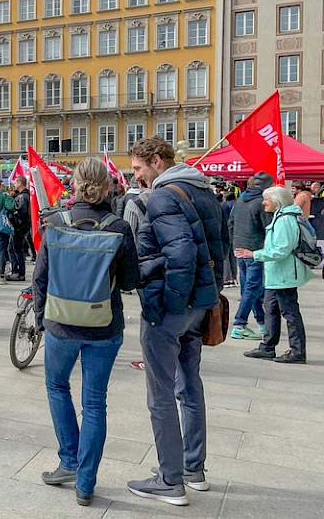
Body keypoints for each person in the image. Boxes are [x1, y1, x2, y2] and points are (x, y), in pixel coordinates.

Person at [127, 136, 227, 506]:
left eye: (138, 168)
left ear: (156, 160)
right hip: (201, 302)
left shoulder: (165, 194)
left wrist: (167, 304)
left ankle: (170, 480)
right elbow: (220, 246)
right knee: (190, 385)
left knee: (161, 394)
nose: (136, 176)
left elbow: (181, 253)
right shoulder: (204, 189)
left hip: (174, 307)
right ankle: (192, 467)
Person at [33, 158, 140, 507]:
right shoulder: (119, 227)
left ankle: (69, 460)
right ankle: (86, 481)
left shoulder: (54, 223)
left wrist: (40, 319)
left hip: (61, 323)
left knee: (56, 387)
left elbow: (40, 279)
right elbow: (129, 282)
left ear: (74, 185)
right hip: (104, 326)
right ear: (108, 188)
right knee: (95, 402)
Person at [240, 186, 312, 364]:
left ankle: (297, 352)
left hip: (284, 275)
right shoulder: (283, 216)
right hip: (277, 275)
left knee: (289, 313)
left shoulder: (285, 219)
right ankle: (268, 347)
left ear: (277, 200)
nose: (264, 202)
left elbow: (281, 250)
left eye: (266, 199)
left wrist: (254, 254)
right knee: (271, 310)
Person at [229, 172, 273, 340]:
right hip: (254, 250)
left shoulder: (241, 200)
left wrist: (235, 244)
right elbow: (268, 227)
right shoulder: (260, 203)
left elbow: (230, 223)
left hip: (239, 248)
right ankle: (239, 324)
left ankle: (261, 322)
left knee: (249, 288)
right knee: (253, 288)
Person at [6, 175, 31, 281]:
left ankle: (18, 272)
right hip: (21, 226)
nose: (14, 185)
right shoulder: (25, 196)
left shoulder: (22, 197)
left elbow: (20, 213)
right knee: (14, 249)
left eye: (16, 182)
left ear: (20, 183)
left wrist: (10, 212)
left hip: (19, 227)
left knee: (15, 249)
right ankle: (17, 271)